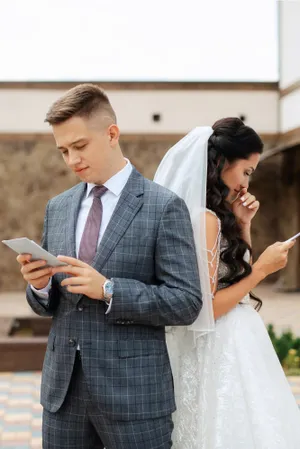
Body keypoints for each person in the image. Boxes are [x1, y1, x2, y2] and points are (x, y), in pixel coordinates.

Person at [16, 83, 203, 449]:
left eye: (80, 146)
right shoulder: (58, 206)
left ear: (112, 134)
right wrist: (39, 285)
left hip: (134, 396)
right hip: (63, 396)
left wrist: (109, 290)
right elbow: (48, 303)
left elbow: (186, 301)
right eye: (64, 150)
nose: (72, 160)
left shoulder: (162, 206)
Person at [154, 118, 300, 449]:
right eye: (246, 172)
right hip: (217, 346)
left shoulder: (213, 216)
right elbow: (206, 309)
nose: (248, 182)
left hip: (225, 341)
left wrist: (243, 224)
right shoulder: (204, 220)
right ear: (221, 163)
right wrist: (263, 269)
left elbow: (234, 276)